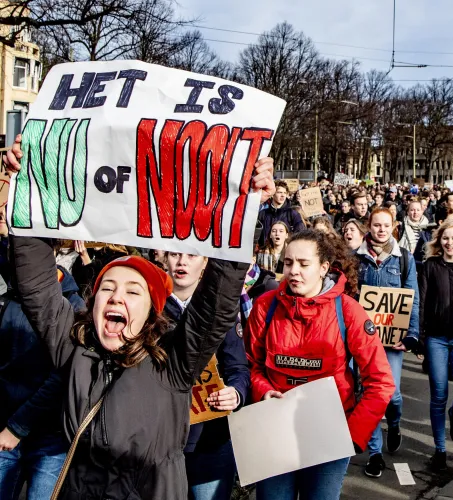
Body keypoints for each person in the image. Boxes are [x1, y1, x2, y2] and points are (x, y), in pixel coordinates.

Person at [2, 140, 273, 499]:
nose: (116, 296)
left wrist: (245, 206)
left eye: (133, 292)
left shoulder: (172, 363)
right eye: (107, 288)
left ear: (150, 313)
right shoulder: (73, 349)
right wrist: (29, 189)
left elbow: (216, 303)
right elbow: (37, 284)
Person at [245, 229, 394, 500]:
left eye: (304, 264)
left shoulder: (348, 310)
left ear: (324, 267)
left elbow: (381, 381)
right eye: (288, 263)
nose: (293, 271)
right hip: (276, 430)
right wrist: (263, 390)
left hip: (330, 434)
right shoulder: (264, 306)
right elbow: (250, 365)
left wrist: (353, 434)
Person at [164, 252, 249, 500]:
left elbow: (238, 368)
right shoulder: (148, 308)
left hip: (210, 440)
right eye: (174, 254)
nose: (182, 262)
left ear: (205, 263)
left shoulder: (222, 310)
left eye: (192, 255)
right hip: (161, 440)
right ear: (163, 259)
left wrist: (235, 393)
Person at [0, 258, 85, 500]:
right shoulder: (9, 298)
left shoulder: (74, 304)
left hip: (50, 438)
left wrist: (17, 428)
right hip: (4, 428)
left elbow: (63, 377)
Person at [355, 208, 421, 478]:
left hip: (393, 341)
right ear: (368, 226)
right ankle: (375, 453)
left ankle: (394, 424)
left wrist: (412, 335)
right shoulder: (355, 257)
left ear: (393, 226)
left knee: (391, 396)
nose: (381, 230)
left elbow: (413, 297)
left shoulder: (404, 259)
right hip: (364, 340)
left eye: (385, 225)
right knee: (370, 394)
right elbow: (348, 296)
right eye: (376, 225)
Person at [418, 220, 453, 471]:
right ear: (439, 241)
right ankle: (440, 450)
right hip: (436, 339)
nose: (450, 243)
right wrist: (418, 338)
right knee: (438, 395)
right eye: (445, 238)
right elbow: (421, 301)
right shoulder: (430, 266)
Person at [257, 181, 306, 248]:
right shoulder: (263, 214)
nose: (283, 195)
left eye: (285, 193)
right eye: (279, 192)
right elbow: (255, 236)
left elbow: (301, 235)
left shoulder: (293, 214)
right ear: (272, 195)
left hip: (286, 254)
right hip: (266, 253)